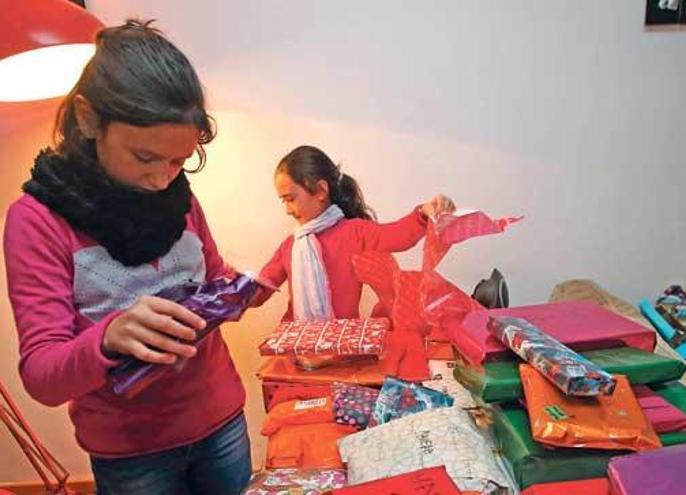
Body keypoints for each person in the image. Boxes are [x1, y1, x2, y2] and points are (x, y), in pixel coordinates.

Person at [4, 20, 250, 494]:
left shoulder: (179, 196)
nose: (163, 179)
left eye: (179, 161)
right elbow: (42, 376)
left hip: (221, 421)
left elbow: (214, 277)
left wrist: (241, 289)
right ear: (89, 118)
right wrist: (109, 337)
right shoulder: (37, 220)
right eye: (144, 158)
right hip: (133, 454)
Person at [255, 144, 455, 320]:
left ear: (321, 191)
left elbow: (398, 235)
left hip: (343, 349)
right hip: (296, 351)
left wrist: (424, 212)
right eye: (284, 201)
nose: (287, 210)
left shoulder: (354, 233)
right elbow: (260, 290)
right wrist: (232, 289)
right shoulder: (290, 246)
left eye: (290, 199)